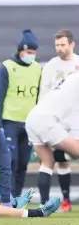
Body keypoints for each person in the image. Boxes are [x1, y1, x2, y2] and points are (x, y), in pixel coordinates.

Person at [0, 29, 42, 197]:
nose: (31, 55)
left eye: (34, 52)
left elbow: (38, 97)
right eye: (28, 52)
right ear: (20, 50)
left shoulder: (37, 69)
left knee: (22, 164)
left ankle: (17, 198)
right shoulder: (6, 67)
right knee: (10, 162)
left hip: (29, 124)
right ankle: (7, 197)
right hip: (10, 122)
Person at [38, 29, 79, 211]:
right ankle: (54, 202)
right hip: (56, 120)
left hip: (76, 119)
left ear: (72, 45)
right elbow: (43, 94)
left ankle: (65, 200)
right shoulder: (50, 67)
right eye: (57, 45)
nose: (59, 48)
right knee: (53, 160)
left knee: (63, 159)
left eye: (63, 45)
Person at [26, 72, 79, 207]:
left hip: (32, 118)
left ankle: (43, 206)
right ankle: (59, 156)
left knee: (47, 161)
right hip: (46, 121)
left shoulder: (71, 78)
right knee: (76, 151)